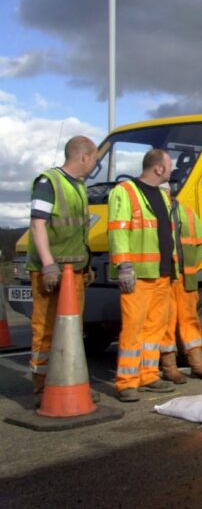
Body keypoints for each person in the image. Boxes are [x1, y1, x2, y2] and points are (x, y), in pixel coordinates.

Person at [27, 136, 98, 401]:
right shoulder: (49, 183)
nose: (94, 164)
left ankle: (70, 383)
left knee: (71, 331)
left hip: (73, 272)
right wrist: (48, 265)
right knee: (45, 330)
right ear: (84, 156)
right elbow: (38, 224)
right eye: (93, 158)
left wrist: (86, 264)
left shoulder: (78, 186)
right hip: (51, 272)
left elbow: (78, 232)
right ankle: (43, 387)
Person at [108, 149, 179, 402]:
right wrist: (124, 267)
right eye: (169, 166)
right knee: (133, 329)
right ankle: (126, 382)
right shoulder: (124, 191)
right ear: (158, 168)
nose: (172, 171)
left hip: (162, 273)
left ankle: (148, 375)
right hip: (138, 275)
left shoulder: (163, 194)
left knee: (155, 328)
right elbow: (117, 232)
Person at [158, 197, 202, 383]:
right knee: (166, 322)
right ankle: (170, 368)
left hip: (184, 278)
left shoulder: (187, 212)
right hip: (165, 277)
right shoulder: (156, 212)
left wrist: (191, 266)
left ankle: (198, 366)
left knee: (189, 320)